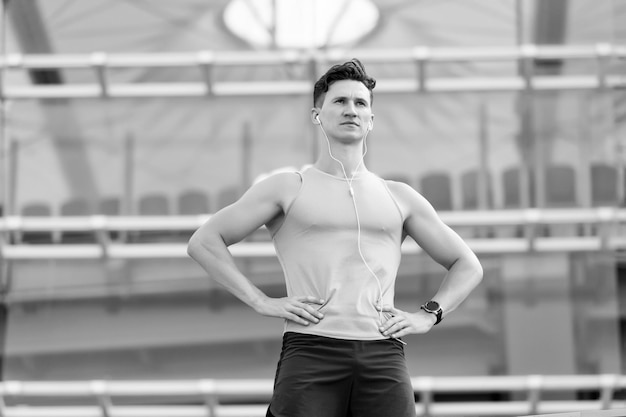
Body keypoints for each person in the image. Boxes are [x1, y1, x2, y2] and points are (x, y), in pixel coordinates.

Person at [187, 58, 483, 417]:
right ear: (317, 115)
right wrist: (260, 301)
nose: (351, 110)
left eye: (361, 104)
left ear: (371, 120)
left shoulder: (399, 196)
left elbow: (467, 265)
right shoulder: (287, 186)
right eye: (339, 101)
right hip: (311, 349)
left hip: (383, 352)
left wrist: (428, 315)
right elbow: (204, 241)